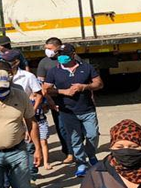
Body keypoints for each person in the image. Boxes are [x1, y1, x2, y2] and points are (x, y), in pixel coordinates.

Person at [43, 43, 104, 177]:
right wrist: (63, 92)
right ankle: (81, 162)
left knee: (93, 135)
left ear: (73, 54)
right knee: (75, 138)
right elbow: (46, 89)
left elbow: (99, 83)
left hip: (87, 109)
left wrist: (84, 87)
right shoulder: (54, 71)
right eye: (59, 54)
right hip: (67, 111)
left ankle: (91, 155)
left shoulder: (86, 68)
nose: (61, 57)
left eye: (64, 54)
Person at [2, 50, 44, 188]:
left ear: (16, 62)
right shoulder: (0, 76)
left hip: (25, 115)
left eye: (9, 61)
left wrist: (32, 110)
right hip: (9, 118)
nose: (6, 63)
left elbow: (38, 94)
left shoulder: (27, 76)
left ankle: (31, 177)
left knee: (29, 147)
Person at [37, 37, 73, 164]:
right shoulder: (44, 63)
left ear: (58, 48)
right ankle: (69, 151)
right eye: (46, 49)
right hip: (56, 100)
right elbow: (41, 85)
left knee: (75, 126)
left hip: (73, 99)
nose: (47, 51)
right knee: (62, 127)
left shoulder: (71, 59)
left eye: (50, 49)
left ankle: (78, 148)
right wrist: (48, 101)